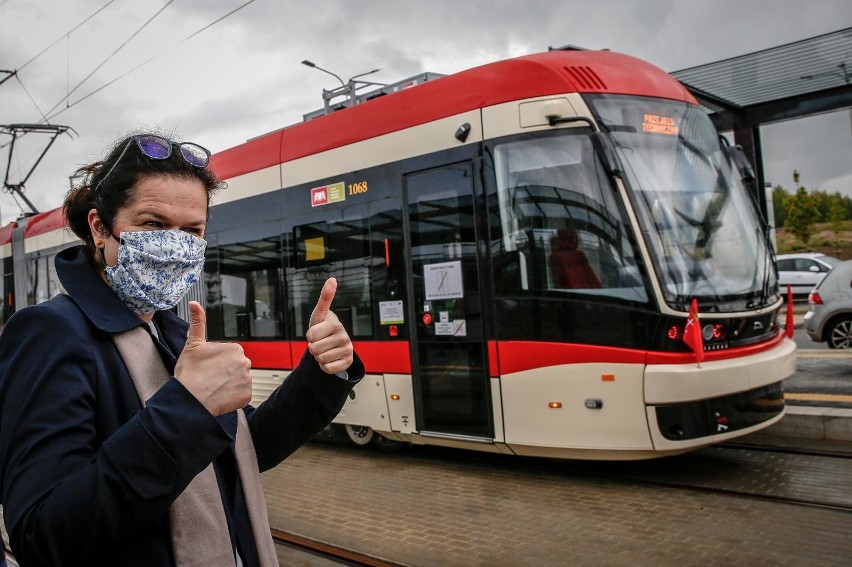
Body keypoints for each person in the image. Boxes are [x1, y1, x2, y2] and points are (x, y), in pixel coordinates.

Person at [0, 133, 365, 566]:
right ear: (99, 228)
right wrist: (186, 410)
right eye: (153, 224)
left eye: (192, 230)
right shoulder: (51, 333)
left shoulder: (171, 331)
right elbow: (42, 535)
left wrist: (322, 371)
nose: (175, 246)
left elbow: (243, 453)